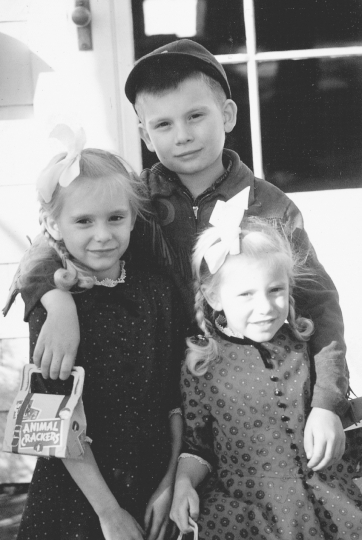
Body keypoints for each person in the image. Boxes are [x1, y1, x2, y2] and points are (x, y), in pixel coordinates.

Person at [6, 40, 350, 469]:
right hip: (162, 390)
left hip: (258, 389)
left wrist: (326, 403)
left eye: (195, 116)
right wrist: (56, 304)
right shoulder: (136, 198)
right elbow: (47, 245)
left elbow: (319, 302)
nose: (182, 135)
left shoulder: (268, 205)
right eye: (163, 124)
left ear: (226, 114)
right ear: (146, 136)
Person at [13, 126, 186, 540]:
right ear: (52, 225)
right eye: (83, 221)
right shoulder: (53, 308)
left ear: (133, 218)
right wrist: (108, 513)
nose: (103, 235)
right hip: (81, 492)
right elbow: (52, 417)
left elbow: (174, 396)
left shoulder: (156, 291)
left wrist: (171, 480)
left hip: (153, 477)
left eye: (115, 218)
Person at [169, 211, 362, 539]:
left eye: (276, 290)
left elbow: (337, 416)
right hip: (248, 511)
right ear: (215, 296)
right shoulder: (202, 365)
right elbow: (198, 446)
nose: (266, 307)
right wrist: (184, 483)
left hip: (324, 499)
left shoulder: (304, 346)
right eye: (246, 294)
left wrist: (331, 412)